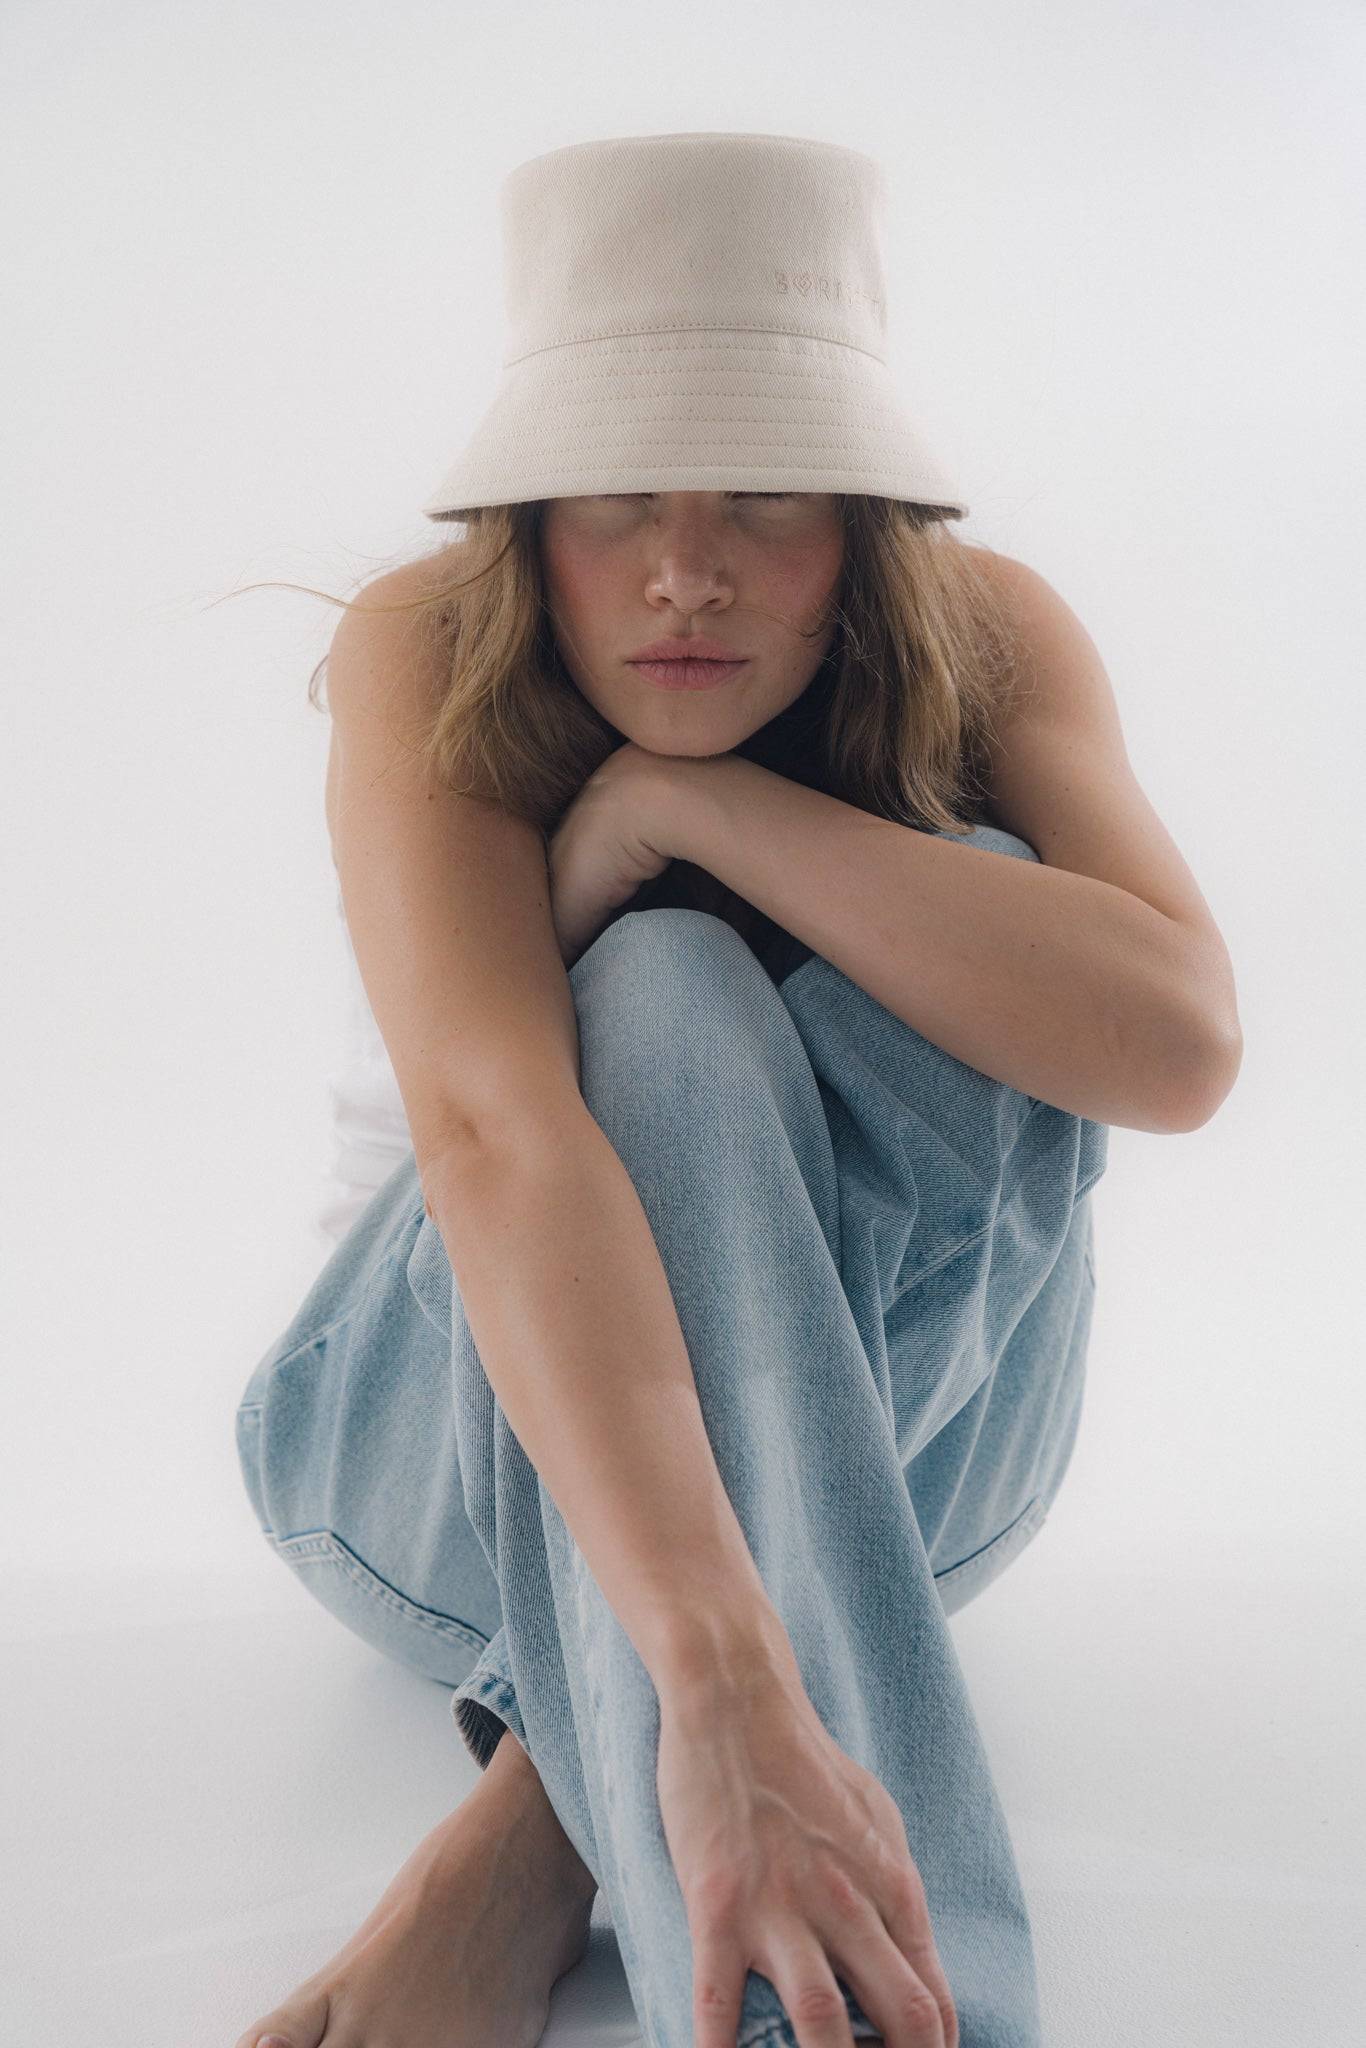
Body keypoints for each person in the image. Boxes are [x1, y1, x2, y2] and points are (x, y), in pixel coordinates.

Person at [231, 133, 1241, 2048]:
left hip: (911, 1451)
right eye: (616, 494)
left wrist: (701, 806)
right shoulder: (426, 651)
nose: (684, 572)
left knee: (1026, 923)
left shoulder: (990, 632)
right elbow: (495, 1140)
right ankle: (854, 1999)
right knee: (668, 993)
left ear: (862, 518)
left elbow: (1175, 1038)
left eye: (763, 494)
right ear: (527, 517)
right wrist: (715, 1684)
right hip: (428, 1461)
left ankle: (539, 1820)